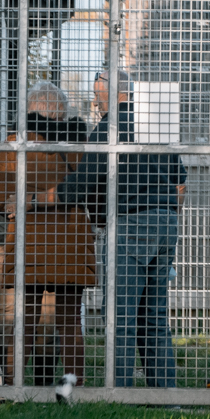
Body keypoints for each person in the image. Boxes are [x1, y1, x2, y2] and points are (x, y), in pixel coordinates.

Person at [57, 70, 186, 388]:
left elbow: (80, 185)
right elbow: (181, 183)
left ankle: (119, 393)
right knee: (155, 319)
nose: (95, 99)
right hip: (167, 223)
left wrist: (36, 198)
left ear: (116, 93)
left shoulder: (109, 126)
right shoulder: (155, 123)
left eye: (98, 92)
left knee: (121, 317)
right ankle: (165, 395)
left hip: (131, 226)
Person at [0, 82, 97, 385]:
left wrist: (12, 203)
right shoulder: (79, 142)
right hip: (71, 242)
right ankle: (75, 385)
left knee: (24, 321)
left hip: (29, 241)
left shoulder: (16, 142)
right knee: (70, 322)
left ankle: (14, 383)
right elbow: (90, 188)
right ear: (61, 108)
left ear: (30, 108)